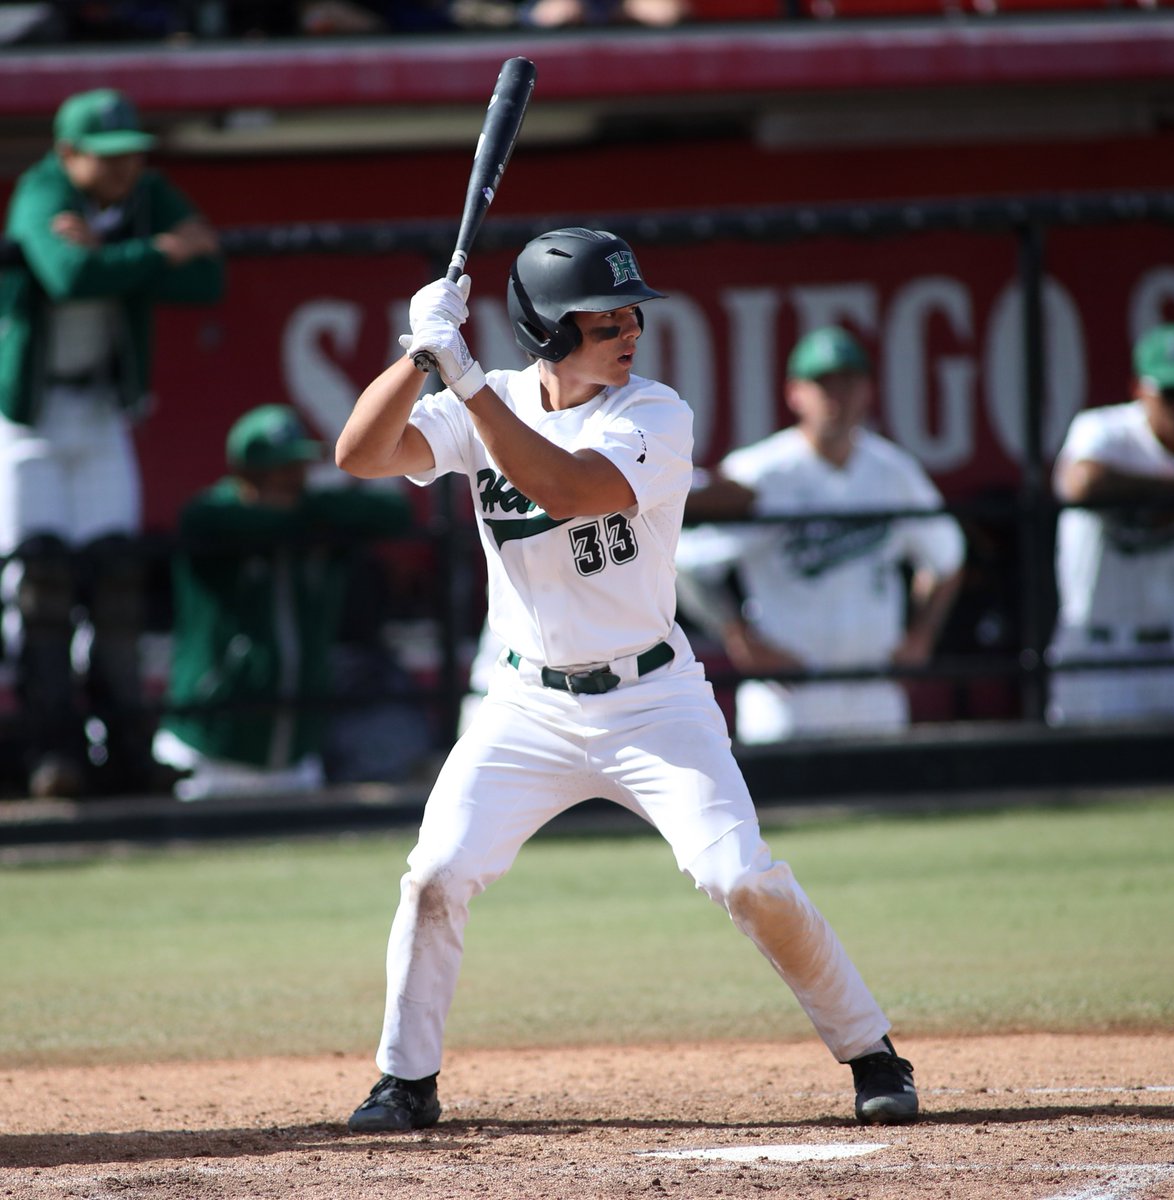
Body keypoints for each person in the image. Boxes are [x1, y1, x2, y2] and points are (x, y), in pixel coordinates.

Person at [335, 228, 920, 1132]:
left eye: (630, 313)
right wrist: (420, 355)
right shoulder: (484, 401)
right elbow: (361, 454)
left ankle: (873, 1053)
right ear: (547, 330)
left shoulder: (655, 413)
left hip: (654, 701)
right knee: (436, 875)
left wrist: (467, 380)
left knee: (742, 879)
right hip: (527, 705)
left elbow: (565, 488)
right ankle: (405, 1081)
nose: (628, 330)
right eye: (602, 318)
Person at [0, 87, 225, 798]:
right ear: (68, 153)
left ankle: (125, 748)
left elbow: (208, 277)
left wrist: (120, 253)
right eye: (105, 157)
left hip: (101, 408)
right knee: (41, 585)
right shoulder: (41, 190)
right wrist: (155, 253)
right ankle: (51, 754)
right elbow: (67, 275)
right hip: (29, 418)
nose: (124, 169)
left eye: (130, 155)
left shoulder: (147, 195)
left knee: (116, 579)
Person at [674, 326, 965, 743]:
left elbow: (947, 557)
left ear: (868, 390)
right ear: (795, 394)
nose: (836, 396)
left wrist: (921, 637)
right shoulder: (762, 472)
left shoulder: (893, 471)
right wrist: (739, 637)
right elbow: (685, 563)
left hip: (874, 687)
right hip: (791, 693)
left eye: (847, 382)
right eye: (823, 384)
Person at [152, 404, 415, 801]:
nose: (295, 481)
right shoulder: (215, 516)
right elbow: (210, 518)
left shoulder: (317, 516)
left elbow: (396, 512)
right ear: (247, 475)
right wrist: (308, 520)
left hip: (295, 759)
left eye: (298, 467)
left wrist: (312, 514)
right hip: (208, 754)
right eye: (280, 470)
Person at [1046, 323, 1174, 725]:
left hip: (1169, 645)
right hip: (1097, 645)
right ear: (1140, 390)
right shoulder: (1104, 430)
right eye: (1171, 394)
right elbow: (1081, 483)